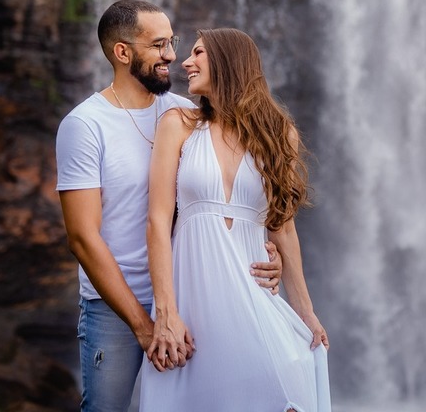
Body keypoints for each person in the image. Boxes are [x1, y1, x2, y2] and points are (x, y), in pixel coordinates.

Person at [56, 1, 283, 412]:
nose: (172, 56)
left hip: (192, 298)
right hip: (114, 311)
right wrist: (145, 326)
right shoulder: (84, 125)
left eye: (173, 42)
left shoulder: (189, 114)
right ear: (123, 53)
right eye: (159, 45)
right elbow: (82, 238)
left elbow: (229, 196)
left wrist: (267, 254)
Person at [140, 28, 331, 412]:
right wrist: (166, 313)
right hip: (192, 306)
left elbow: (283, 226)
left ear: (228, 62)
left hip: (255, 297)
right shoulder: (178, 124)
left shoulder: (280, 135)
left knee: (285, 390)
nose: (186, 62)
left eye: (198, 53)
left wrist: (306, 310)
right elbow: (157, 222)